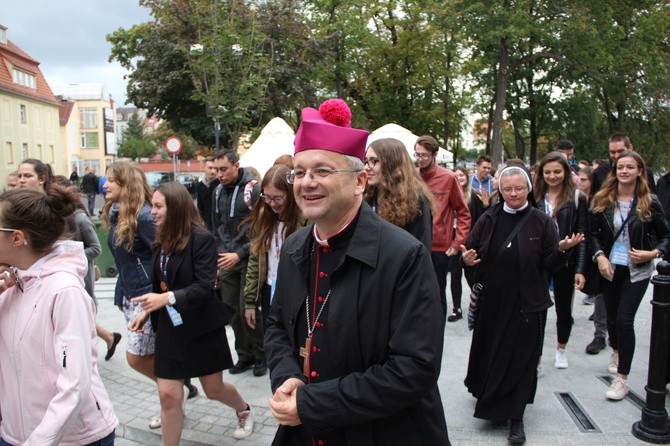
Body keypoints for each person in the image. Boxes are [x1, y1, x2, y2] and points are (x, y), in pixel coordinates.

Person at [266, 99, 449, 445]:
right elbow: (276, 324)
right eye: (300, 172)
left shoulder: (404, 256)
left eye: (322, 171)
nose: (307, 182)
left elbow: (415, 368)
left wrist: (313, 403)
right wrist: (287, 375)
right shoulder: (294, 248)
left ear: (360, 181)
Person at [461, 165, 583, 444]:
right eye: (507, 189)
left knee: (522, 360)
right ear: (499, 191)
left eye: (518, 188)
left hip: (528, 302)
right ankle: (494, 406)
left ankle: (516, 418)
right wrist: (465, 260)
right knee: (492, 354)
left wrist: (563, 250)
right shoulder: (489, 218)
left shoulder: (541, 221)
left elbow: (549, 264)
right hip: (493, 302)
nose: (513, 193)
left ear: (528, 188)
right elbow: (472, 250)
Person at [129, 182, 255, 443]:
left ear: (175, 207)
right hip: (170, 328)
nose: (152, 211)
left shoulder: (201, 239)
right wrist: (146, 310)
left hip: (201, 328)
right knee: (168, 397)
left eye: (157, 206)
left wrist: (165, 298)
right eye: (152, 205)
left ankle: (243, 410)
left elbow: (204, 287)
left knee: (213, 389)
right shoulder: (160, 238)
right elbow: (160, 282)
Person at [0, 185, 118, 445]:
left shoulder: (64, 290)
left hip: (73, 438)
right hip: (14, 434)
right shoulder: (10, 282)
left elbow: (74, 385)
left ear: (17, 238)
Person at [101, 161, 196, 429]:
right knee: (147, 356)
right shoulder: (120, 212)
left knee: (135, 357)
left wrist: (157, 296)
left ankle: (174, 391)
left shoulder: (143, 216)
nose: (104, 185)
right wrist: (121, 296)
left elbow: (165, 254)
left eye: (111, 180)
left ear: (126, 183)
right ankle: (174, 395)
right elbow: (124, 262)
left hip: (147, 298)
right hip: (131, 296)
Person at [589, 150, 670, 400]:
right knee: (613, 319)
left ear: (640, 171)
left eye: (629, 167)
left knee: (624, 320)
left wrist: (653, 253)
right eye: (620, 167)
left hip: (637, 270)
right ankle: (616, 349)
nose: (624, 171)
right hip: (610, 268)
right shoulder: (603, 199)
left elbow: (667, 236)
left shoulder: (650, 201)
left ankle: (621, 379)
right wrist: (599, 256)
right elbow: (592, 234)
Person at [52, 174, 123, 361]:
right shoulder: (54, 219)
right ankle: (109, 337)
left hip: (81, 281)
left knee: (83, 321)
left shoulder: (80, 219)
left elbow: (96, 248)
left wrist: (69, 257)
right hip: (64, 279)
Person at [243, 164, 307, 369]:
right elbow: (255, 261)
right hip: (270, 291)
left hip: (296, 291)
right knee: (275, 343)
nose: (271, 203)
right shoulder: (264, 218)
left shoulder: (305, 220)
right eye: (266, 197)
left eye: (278, 198)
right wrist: (250, 301)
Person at [533, 152, 588, 369]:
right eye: (547, 172)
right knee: (537, 308)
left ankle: (561, 349)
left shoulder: (576, 197)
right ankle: (535, 355)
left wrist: (580, 269)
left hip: (566, 262)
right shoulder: (535, 196)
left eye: (557, 171)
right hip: (540, 261)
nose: (552, 176)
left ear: (565, 172)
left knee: (563, 309)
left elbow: (583, 234)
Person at [211, 150, 264, 375]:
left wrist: (240, 254)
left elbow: (260, 229)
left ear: (236, 165)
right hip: (225, 259)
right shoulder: (217, 192)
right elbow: (216, 226)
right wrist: (217, 256)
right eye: (216, 170)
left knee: (247, 310)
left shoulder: (252, 189)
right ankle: (244, 355)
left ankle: (262, 355)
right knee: (231, 311)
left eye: (224, 169)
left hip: (248, 257)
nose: (219, 175)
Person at [415, 135, 471, 322]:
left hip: (439, 247)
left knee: (437, 292)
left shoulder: (449, 177)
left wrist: (457, 243)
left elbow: (463, 212)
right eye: (417, 155)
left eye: (424, 155)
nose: (420, 159)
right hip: (414, 243)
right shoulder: (413, 176)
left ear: (434, 155)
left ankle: (437, 335)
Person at [363, 137, 435, 250]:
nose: (366, 167)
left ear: (392, 164)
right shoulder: (369, 193)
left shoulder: (416, 199)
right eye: (366, 161)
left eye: (374, 161)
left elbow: (421, 249)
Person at [196, 157, 220, 232]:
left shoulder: (221, 184)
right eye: (210, 168)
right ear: (204, 168)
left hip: (219, 224)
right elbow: (200, 207)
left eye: (215, 168)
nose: (213, 171)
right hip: (207, 224)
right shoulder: (200, 186)